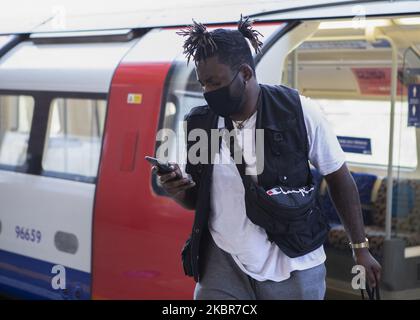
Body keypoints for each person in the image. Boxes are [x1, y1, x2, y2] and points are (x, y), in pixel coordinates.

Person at [152, 16, 381, 300]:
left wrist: (361, 248)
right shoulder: (202, 124)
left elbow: (338, 177)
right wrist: (176, 189)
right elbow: (197, 198)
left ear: (246, 73)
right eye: (203, 84)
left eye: (215, 82)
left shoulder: (298, 112)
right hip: (224, 264)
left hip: (293, 264)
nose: (208, 92)